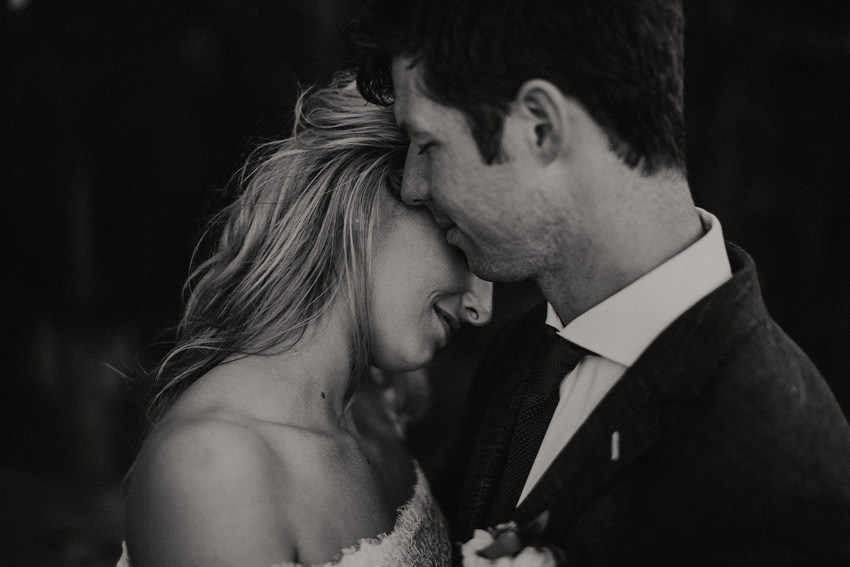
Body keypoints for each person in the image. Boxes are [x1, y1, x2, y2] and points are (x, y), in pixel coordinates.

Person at [350, 0, 850, 564]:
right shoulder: (520, 354)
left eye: (427, 144)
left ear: (540, 126)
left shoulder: (777, 468)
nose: (414, 186)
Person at [117, 73, 492, 567]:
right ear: (374, 196)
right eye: (464, 236)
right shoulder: (215, 465)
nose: (481, 308)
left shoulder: (377, 405)